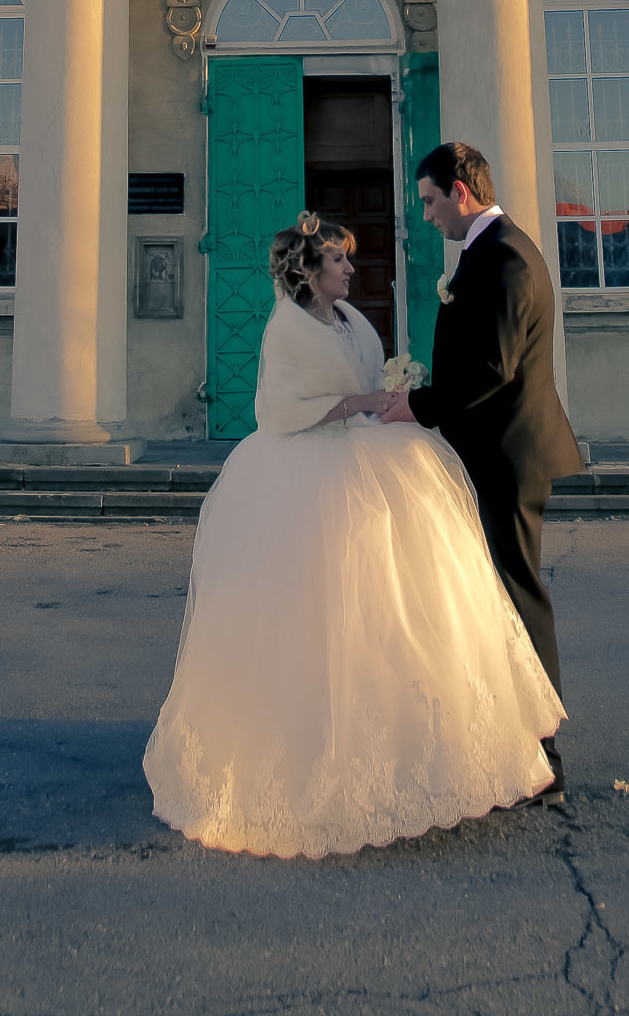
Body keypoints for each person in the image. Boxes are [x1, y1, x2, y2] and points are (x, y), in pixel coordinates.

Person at [145, 211, 564, 857]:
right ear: (307, 275)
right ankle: (306, 743)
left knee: (400, 609)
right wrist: (354, 404)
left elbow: (367, 378)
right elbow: (276, 410)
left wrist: (389, 394)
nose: (349, 267)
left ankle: (409, 739)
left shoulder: (352, 318)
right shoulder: (287, 328)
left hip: (372, 459)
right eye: (337, 260)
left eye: (346, 258)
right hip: (308, 475)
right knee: (322, 614)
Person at [382, 141, 578, 801]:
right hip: (495, 450)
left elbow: (493, 370)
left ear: (459, 192)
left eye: (431, 202)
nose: (428, 216)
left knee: (519, 594)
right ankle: (515, 734)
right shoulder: (489, 253)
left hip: (508, 454)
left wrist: (417, 404)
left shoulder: (506, 259)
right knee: (498, 592)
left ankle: (543, 752)